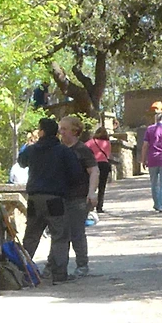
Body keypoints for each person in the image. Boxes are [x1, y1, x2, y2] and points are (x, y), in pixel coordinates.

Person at [17, 116, 88, 285]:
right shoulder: (63, 151)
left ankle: (23, 274)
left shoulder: (32, 150)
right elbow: (76, 174)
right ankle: (59, 275)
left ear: (42, 132)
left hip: (34, 198)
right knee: (59, 237)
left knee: (31, 236)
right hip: (55, 198)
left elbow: (21, 162)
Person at [58, 115, 100, 277]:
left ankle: (82, 265)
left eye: (65, 129)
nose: (61, 132)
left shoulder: (82, 150)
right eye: (60, 129)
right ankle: (56, 266)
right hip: (60, 196)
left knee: (76, 232)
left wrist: (91, 192)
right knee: (60, 233)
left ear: (75, 131)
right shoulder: (58, 149)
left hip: (78, 197)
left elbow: (94, 171)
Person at [86, 124, 113, 212]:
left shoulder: (91, 142)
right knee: (102, 186)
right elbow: (108, 154)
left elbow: (84, 149)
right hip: (104, 164)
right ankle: (99, 207)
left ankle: (90, 205)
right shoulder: (107, 143)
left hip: (93, 164)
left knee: (92, 185)